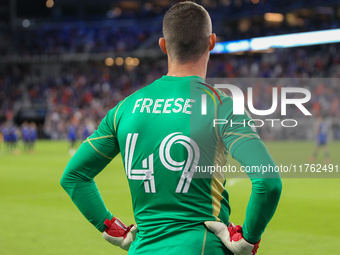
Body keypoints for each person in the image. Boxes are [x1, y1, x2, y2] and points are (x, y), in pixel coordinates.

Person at [61, 2, 282, 255]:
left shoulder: (124, 108)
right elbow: (267, 181)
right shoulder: (221, 106)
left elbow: (74, 176)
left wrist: (113, 228)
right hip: (200, 247)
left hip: (143, 248)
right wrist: (249, 239)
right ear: (211, 42)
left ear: (163, 45)